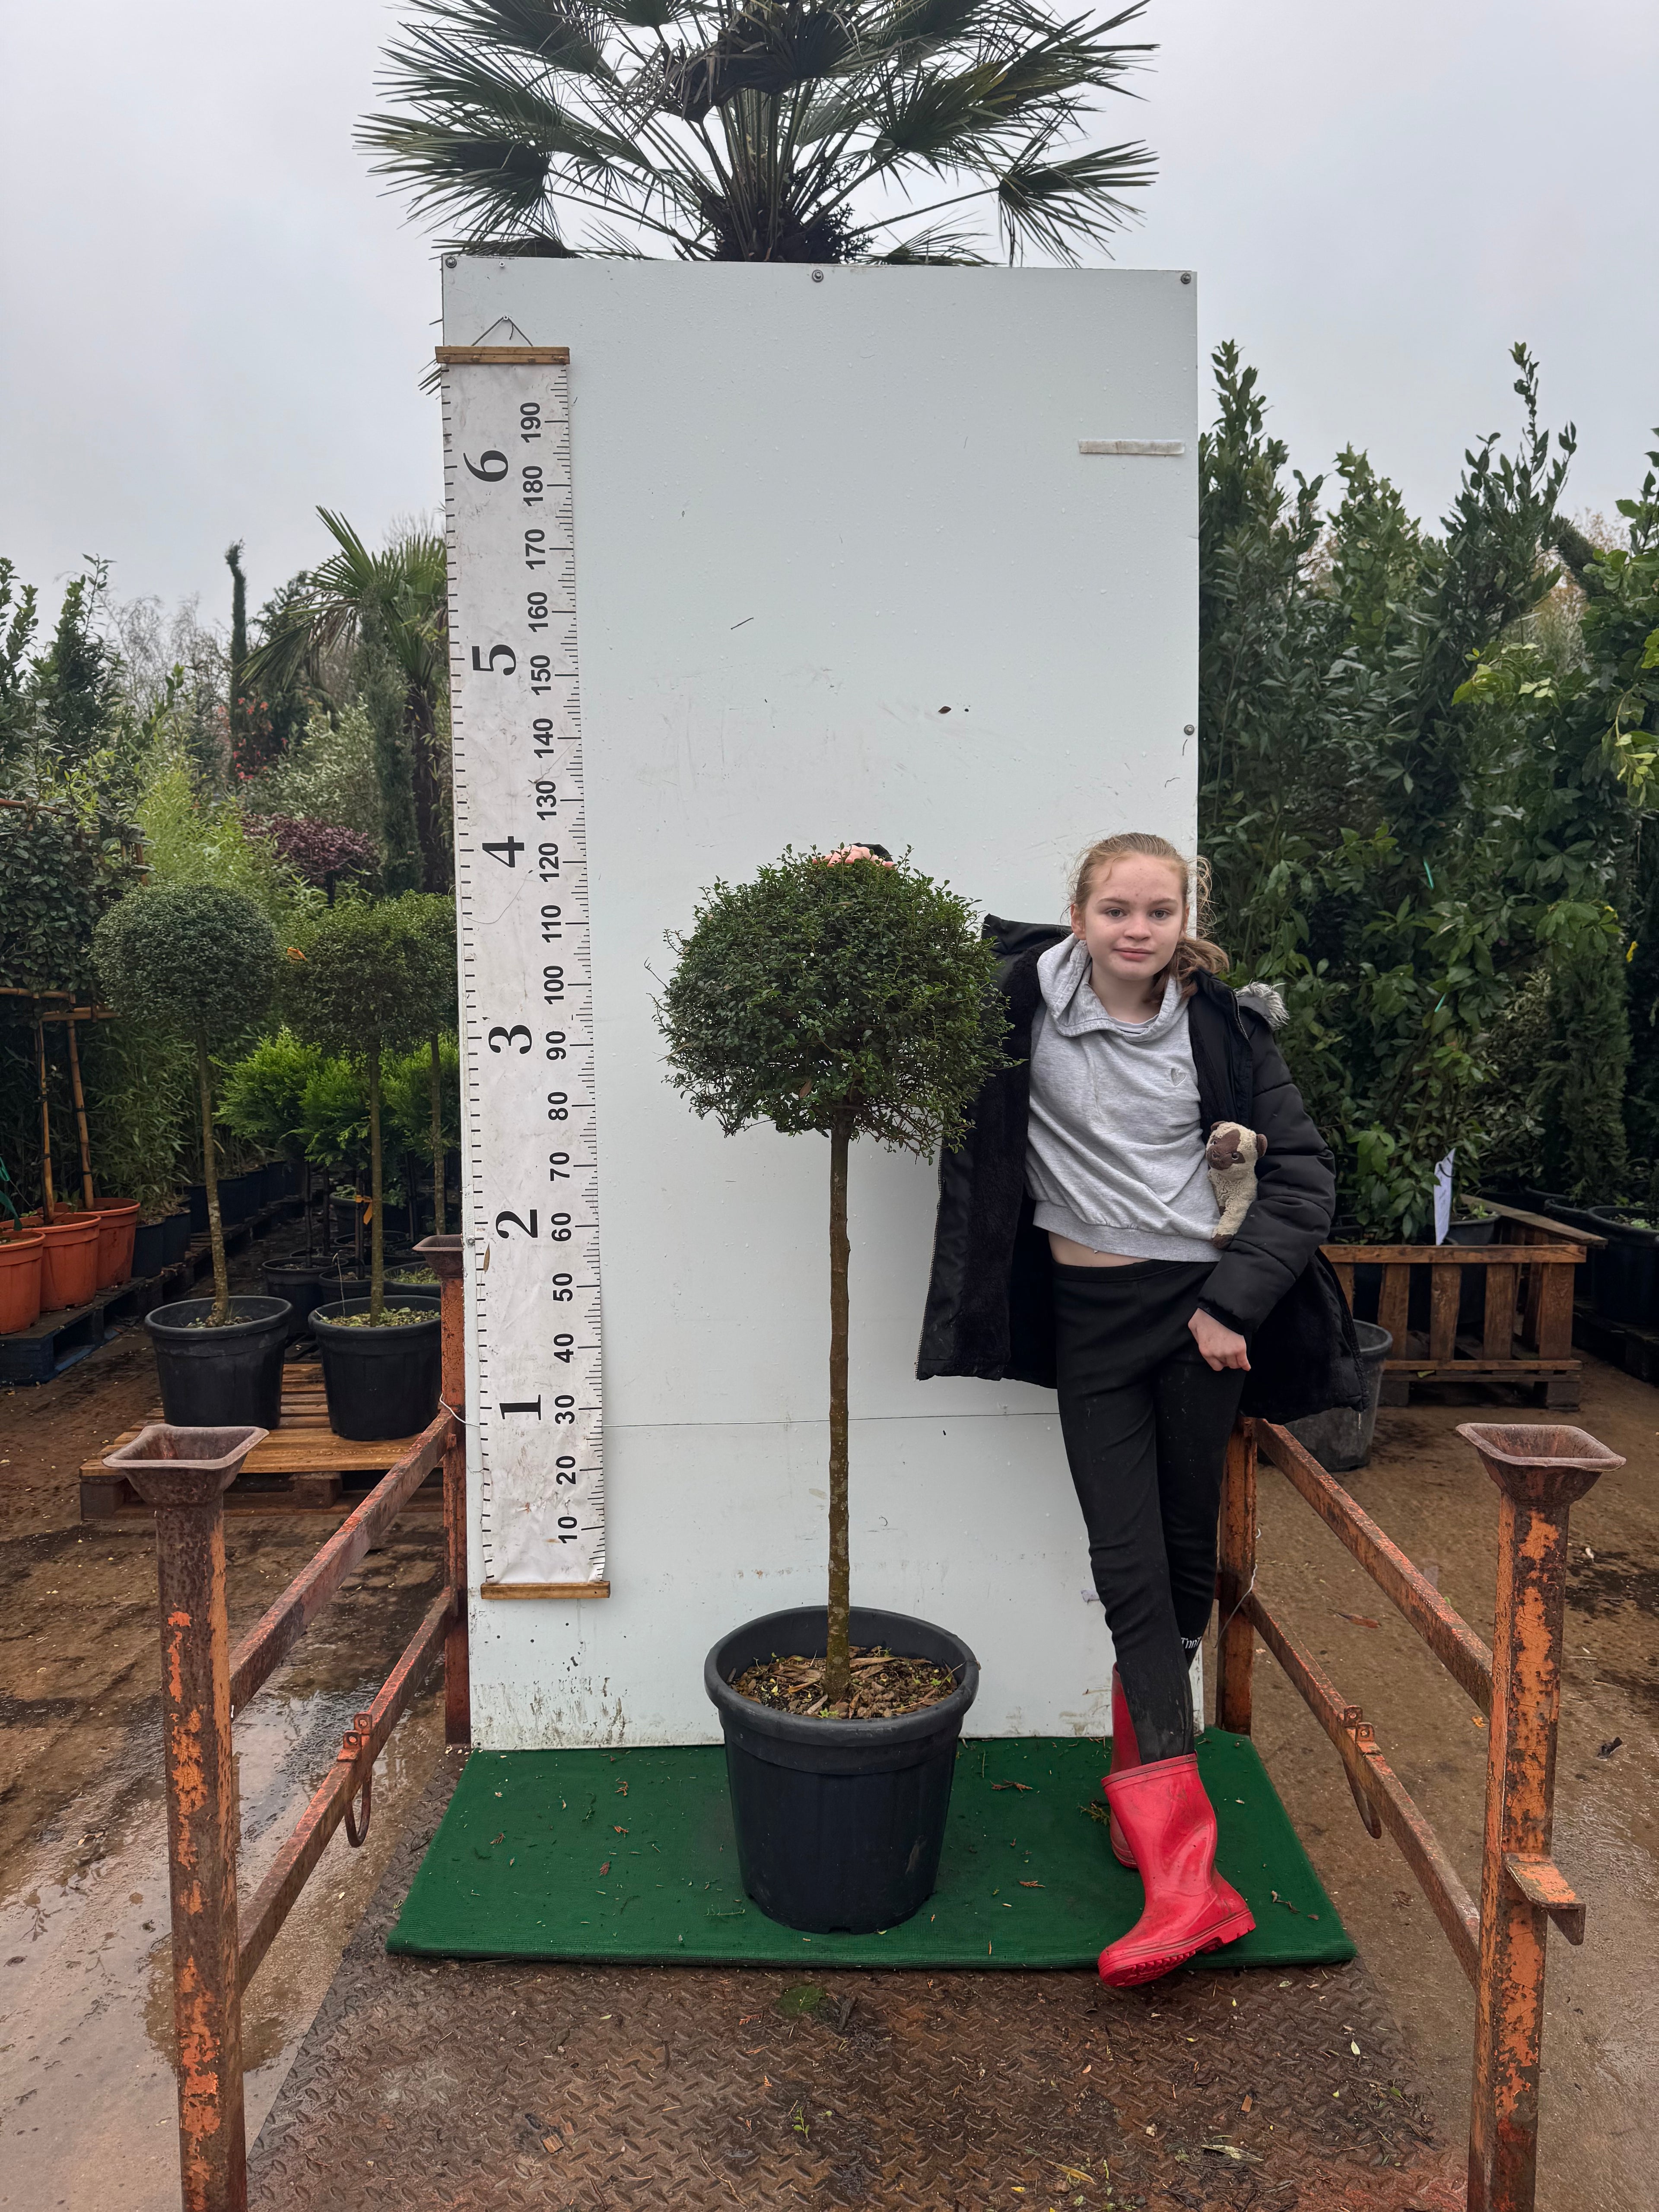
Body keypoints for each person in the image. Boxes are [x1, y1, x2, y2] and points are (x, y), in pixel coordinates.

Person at [918, 831, 1363, 1988]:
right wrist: (861, 877)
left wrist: (1232, 1307)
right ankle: (1185, 1882)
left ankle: (1145, 1809)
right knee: (1127, 1566)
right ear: (1078, 912)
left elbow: (1306, 1175)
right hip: (1090, 1320)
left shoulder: (1227, 1030)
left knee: (1178, 1563)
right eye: (1117, 907)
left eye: (1159, 911)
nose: (1137, 928)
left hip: (1201, 1317)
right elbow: (916, 963)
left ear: (1183, 920)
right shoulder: (1019, 999)